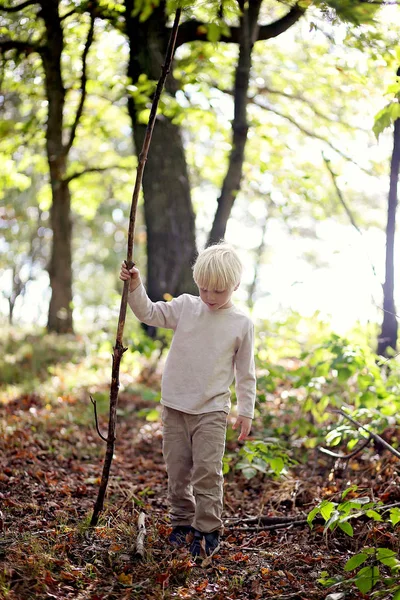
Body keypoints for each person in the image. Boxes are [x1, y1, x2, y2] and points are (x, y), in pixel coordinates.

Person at [119, 242, 256, 559]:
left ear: (235, 286)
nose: (209, 297)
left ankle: (207, 530)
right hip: (174, 408)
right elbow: (148, 313)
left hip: (211, 412)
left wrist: (246, 411)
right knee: (177, 471)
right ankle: (181, 523)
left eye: (218, 291)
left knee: (207, 473)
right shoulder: (185, 307)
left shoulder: (241, 324)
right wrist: (136, 285)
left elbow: (246, 372)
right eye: (204, 288)